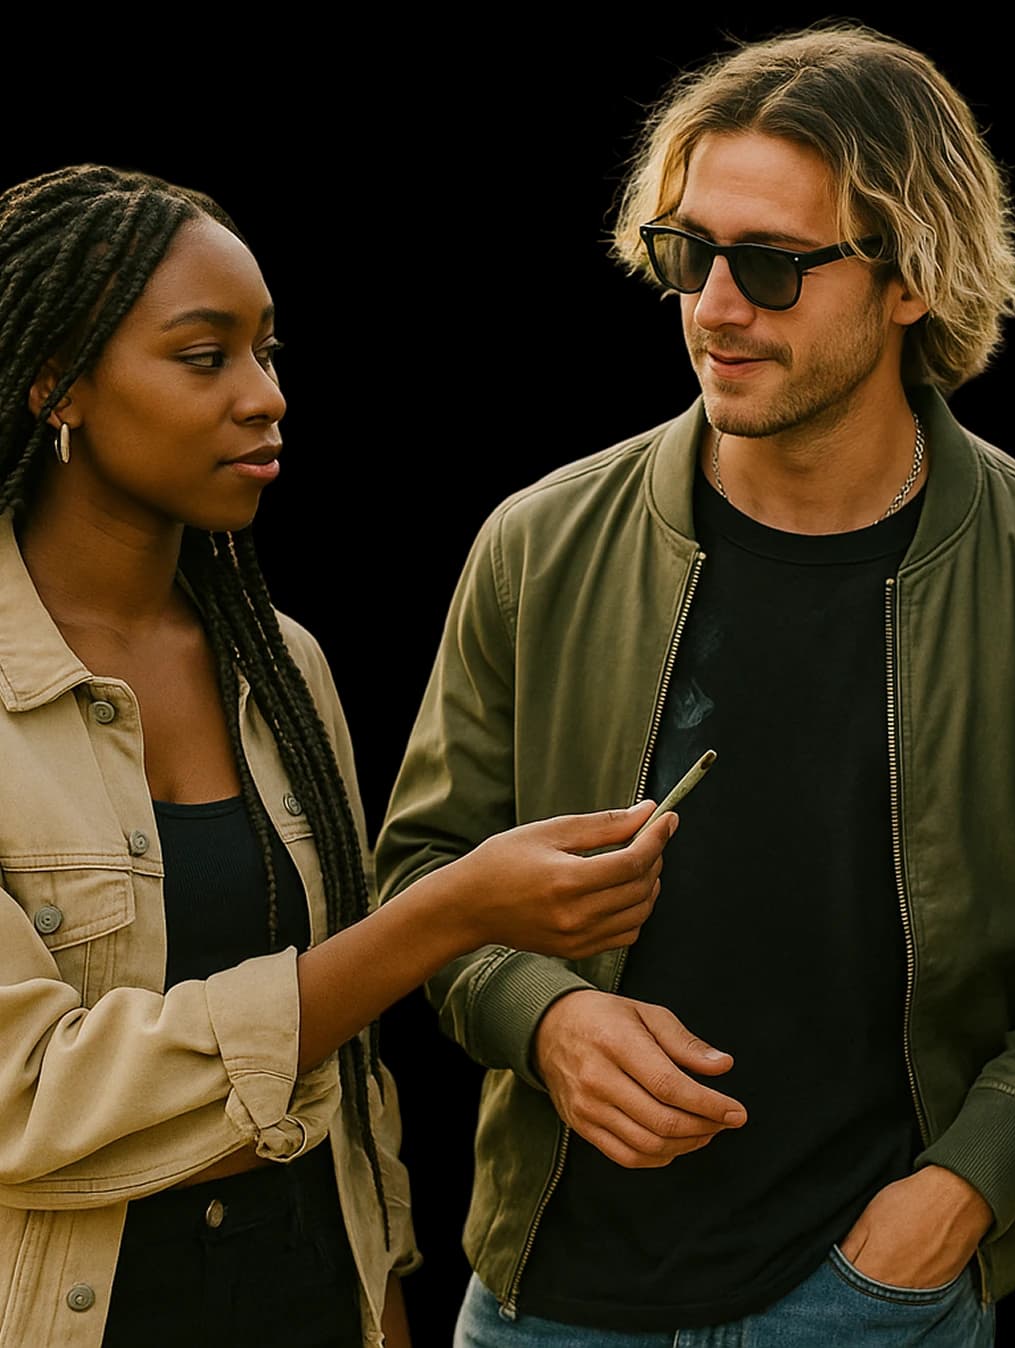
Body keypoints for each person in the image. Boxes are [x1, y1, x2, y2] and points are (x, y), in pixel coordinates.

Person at [376, 24, 1015, 1346]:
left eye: (775, 267)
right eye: (689, 254)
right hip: (547, 1293)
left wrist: (969, 1187)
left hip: (878, 1296)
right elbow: (424, 872)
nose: (714, 306)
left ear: (911, 279)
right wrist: (546, 1017)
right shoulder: (541, 544)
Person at [0, 164, 677, 1348]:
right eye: (205, 357)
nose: (266, 397)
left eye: (269, 352)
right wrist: (447, 912)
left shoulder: (282, 669)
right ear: (58, 381)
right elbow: (29, 1098)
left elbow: (348, 1080)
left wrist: (383, 1289)